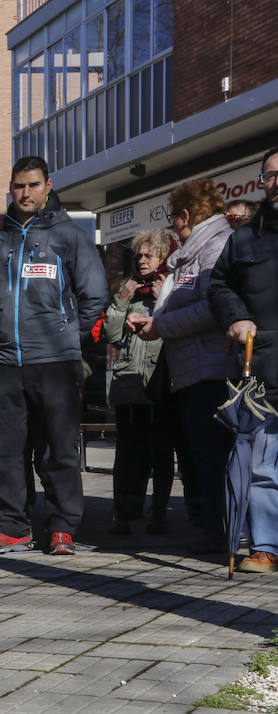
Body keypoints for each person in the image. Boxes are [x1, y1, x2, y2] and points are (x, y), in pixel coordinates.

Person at [0, 155, 108, 555]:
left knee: (58, 449)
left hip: (54, 361)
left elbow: (94, 294)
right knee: (5, 451)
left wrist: (67, 336)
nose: (25, 193)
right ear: (11, 189)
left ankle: (63, 526)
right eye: (19, 186)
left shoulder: (69, 237)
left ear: (48, 186)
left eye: (33, 185)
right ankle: (13, 526)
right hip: (4, 363)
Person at [127, 178, 234, 555]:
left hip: (213, 369)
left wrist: (161, 325)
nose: (172, 224)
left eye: (173, 216)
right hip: (193, 368)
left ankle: (223, 530)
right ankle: (216, 528)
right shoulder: (193, 251)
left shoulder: (215, 245)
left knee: (213, 454)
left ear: (185, 215)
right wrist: (152, 319)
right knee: (202, 454)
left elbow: (213, 306)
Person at [209, 147, 278, 573]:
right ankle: (267, 546)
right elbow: (218, 287)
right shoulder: (244, 240)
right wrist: (237, 318)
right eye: (271, 175)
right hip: (264, 366)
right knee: (264, 464)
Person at [102, 229, 191, 535]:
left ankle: (159, 514)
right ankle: (125, 513)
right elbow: (111, 335)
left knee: (161, 453)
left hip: (162, 386)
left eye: (148, 254)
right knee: (128, 454)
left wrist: (164, 300)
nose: (141, 260)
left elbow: (185, 328)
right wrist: (120, 302)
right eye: (138, 254)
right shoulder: (128, 290)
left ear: (164, 256)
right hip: (130, 388)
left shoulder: (172, 287)